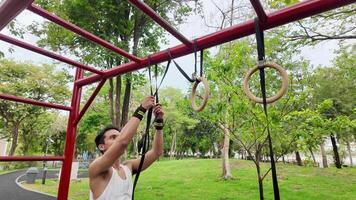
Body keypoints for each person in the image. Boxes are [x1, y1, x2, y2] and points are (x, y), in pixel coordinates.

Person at [89, 96, 164, 200]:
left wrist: (159, 124)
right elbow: (122, 142)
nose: (118, 139)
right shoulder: (96, 167)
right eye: (113, 137)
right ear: (101, 146)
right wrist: (142, 108)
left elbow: (157, 152)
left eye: (119, 136)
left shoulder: (128, 166)